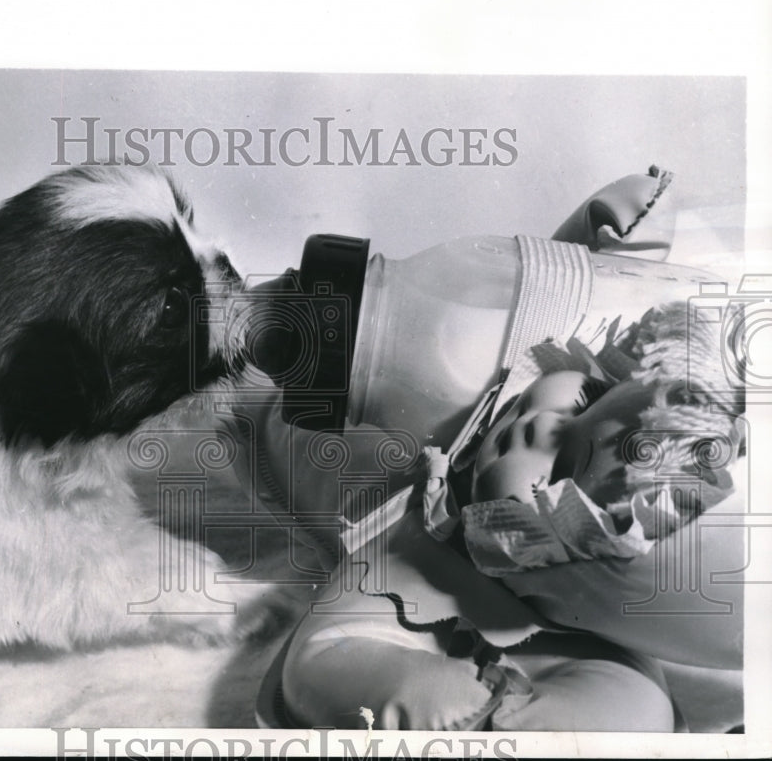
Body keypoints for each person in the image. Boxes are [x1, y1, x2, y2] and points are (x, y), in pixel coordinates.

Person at [228, 170, 747, 732]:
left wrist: (464, 705)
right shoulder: (510, 376)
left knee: (638, 712)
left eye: (563, 466)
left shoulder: (594, 639)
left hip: (455, 592)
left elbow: (322, 660)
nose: (538, 421)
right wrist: (620, 244)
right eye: (590, 396)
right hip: (326, 430)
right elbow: (552, 292)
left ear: (595, 581)